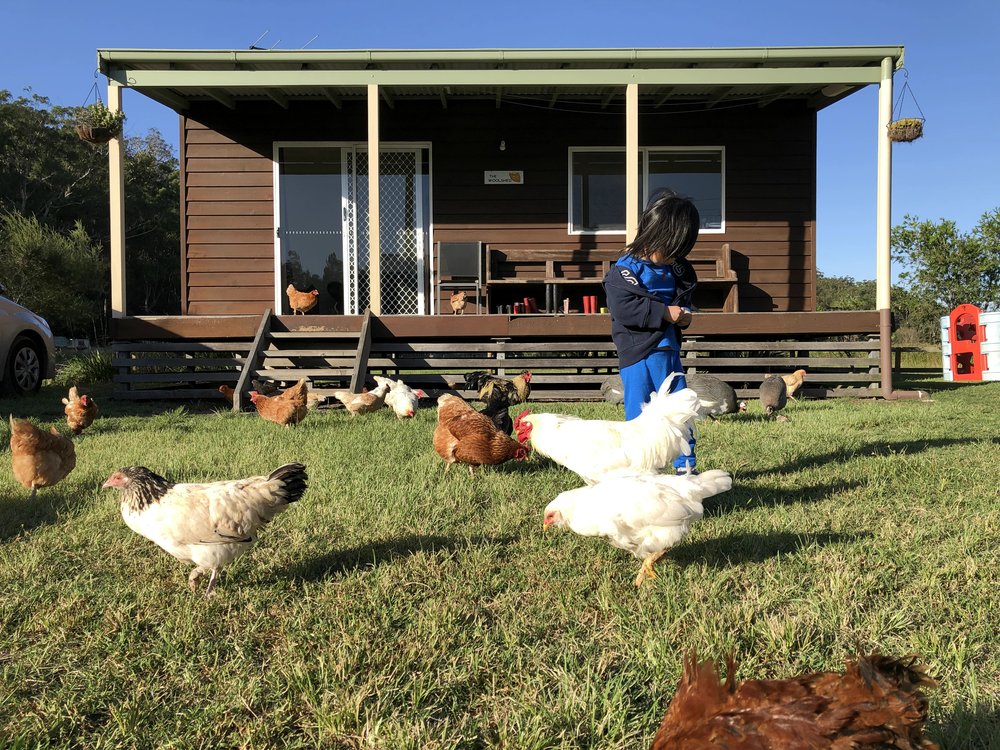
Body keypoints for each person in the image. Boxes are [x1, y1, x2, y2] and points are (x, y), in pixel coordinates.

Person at [603, 189, 699, 473]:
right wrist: (663, 313)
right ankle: (643, 470)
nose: (675, 258)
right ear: (653, 236)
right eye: (671, 250)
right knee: (640, 415)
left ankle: (686, 468)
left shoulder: (677, 269)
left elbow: (684, 299)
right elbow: (624, 310)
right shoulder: (624, 271)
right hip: (638, 355)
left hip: (668, 352)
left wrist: (685, 316)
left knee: (680, 410)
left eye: (680, 252)